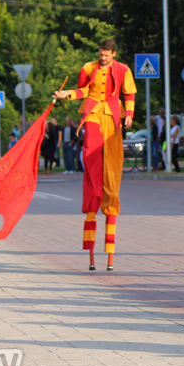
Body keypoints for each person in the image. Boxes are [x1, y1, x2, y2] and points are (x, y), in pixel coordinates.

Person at [53, 38, 138, 271]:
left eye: (106, 55)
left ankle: (110, 198)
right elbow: (83, 90)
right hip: (92, 114)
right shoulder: (88, 68)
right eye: (100, 54)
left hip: (112, 115)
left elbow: (129, 94)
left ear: (114, 54)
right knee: (91, 155)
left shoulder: (123, 70)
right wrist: (68, 94)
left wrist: (129, 114)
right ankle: (93, 194)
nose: (102, 58)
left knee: (113, 161)